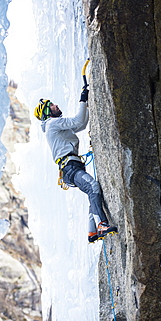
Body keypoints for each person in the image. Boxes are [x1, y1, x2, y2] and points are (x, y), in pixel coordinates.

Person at [34, 87, 117, 243]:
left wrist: (86, 105)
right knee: (93, 187)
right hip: (70, 168)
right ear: (47, 112)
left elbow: (81, 125)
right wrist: (82, 99)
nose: (56, 105)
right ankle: (101, 225)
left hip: (71, 168)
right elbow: (78, 121)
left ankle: (92, 232)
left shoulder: (54, 126)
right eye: (51, 105)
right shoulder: (52, 123)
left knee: (91, 191)